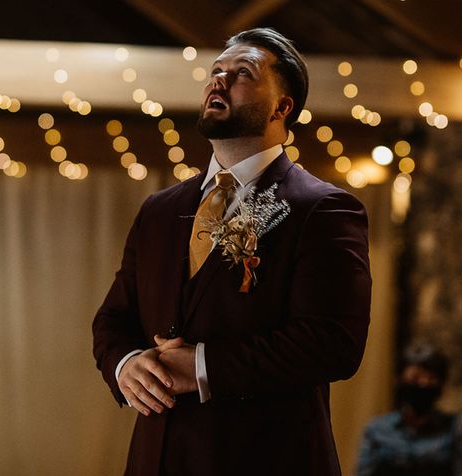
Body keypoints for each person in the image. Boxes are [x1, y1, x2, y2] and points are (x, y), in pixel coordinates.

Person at [92, 27, 372, 476]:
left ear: (283, 107)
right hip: (157, 457)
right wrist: (125, 364)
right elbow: (113, 319)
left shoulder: (322, 208)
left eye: (242, 73)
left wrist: (203, 366)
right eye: (216, 71)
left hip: (266, 456)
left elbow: (333, 344)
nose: (218, 81)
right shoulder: (159, 210)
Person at [356, 342, 462, 475]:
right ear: (401, 380)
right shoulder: (378, 429)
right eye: (415, 377)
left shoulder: (454, 428)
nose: (424, 383)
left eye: (431, 378)